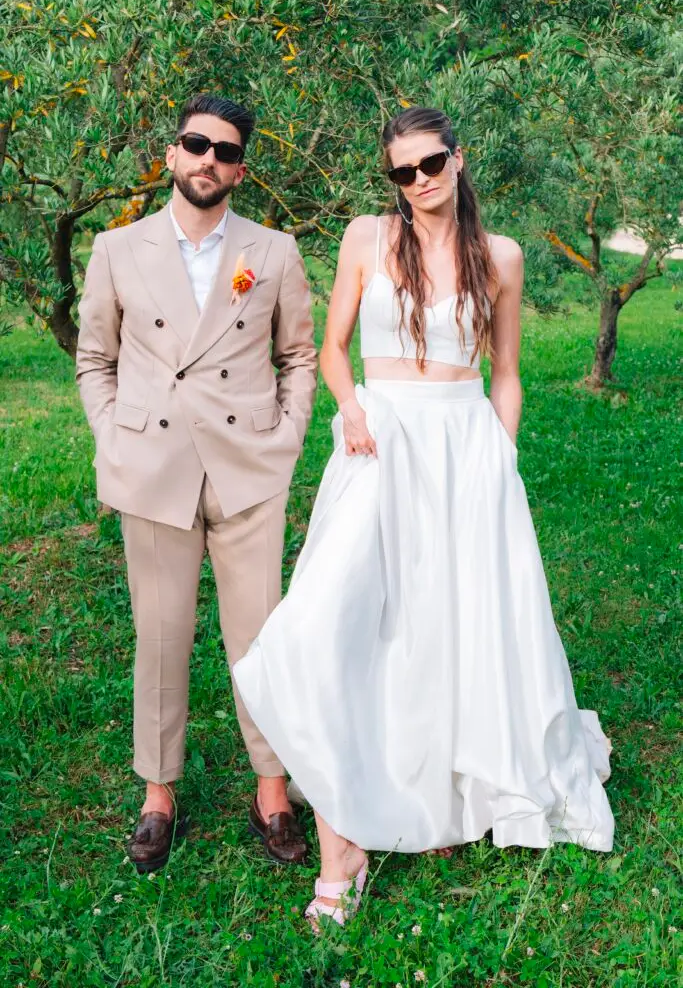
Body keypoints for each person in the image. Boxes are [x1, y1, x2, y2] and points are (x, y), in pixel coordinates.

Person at [234, 106, 614, 929]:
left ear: (457, 158)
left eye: (430, 164)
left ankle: (429, 784)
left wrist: (500, 457)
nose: (418, 183)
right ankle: (345, 844)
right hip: (380, 443)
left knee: (448, 622)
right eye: (401, 172)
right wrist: (351, 409)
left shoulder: (500, 256)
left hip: (463, 446)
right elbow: (331, 347)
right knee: (333, 620)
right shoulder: (367, 239)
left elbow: (504, 371)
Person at [76, 94, 317, 872]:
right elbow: (95, 359)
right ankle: (157, 791)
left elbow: (300, 358)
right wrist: (114, 435)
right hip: (153, 466)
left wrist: (284, 440)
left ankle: (271, 786)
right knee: (161, 633)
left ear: (239, 170)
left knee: (259, 635)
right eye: (195, 144)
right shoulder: (117, 248)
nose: (208, 159)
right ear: (172, 155)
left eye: (224, 150)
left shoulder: (273, 251)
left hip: (248, 469)